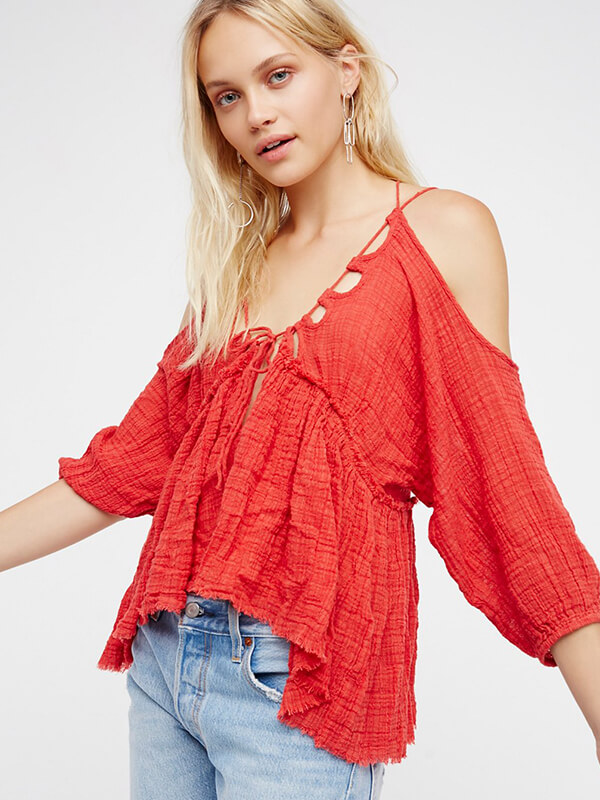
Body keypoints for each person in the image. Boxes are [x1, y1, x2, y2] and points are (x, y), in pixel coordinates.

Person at [2, 1, 600, 797]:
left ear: (347, 72)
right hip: (166, 657)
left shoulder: (442, 233)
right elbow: (127, 467)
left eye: (278, 75)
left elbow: (506, 491)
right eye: (227, 96)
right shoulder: (237, 266)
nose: (257, 113)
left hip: (299, 680)